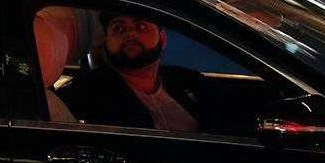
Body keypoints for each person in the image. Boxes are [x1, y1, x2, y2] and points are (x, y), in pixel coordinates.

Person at [58, 13, 217, 132]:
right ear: (106, 41)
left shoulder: (188, 80)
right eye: (119, 28)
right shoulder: (85, 94)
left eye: (141, 26)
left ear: (162, 39)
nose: (130, 34)